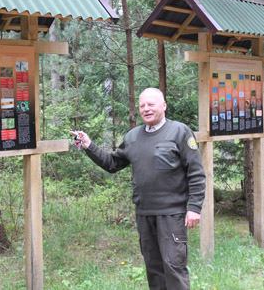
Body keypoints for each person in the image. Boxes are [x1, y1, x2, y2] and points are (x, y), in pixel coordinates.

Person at [70, 87, 206, 290]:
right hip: (144, 215)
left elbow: (195, 172)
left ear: (163, 105)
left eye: (151, 104)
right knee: (153, 269)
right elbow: (112, 163)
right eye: (142, 105)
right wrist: (89, 145)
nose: (146, 109)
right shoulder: (133, 137)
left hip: (172, 214)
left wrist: (194, 207)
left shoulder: (179, 131)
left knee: (173, 267)